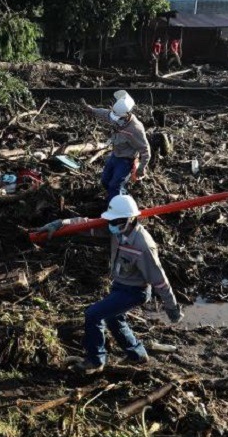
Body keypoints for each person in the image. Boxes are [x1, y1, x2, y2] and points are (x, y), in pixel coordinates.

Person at [34, 195, 183, 373]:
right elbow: (86, 224)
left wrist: (171, 307)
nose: (112, 225)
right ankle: (137, 354)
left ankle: (95, 361)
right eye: (112, 221)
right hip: (120, 285)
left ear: (131, 219)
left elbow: (159, 280)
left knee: (93, 315)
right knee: (114, 318)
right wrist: (61, 223)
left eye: (117, 221)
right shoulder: (116, 228)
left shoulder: (143, 246)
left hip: (135, 291)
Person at [84, 90, 151, 203]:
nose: (114, 120)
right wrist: (91, 110)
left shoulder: (135, 129)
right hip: (115, 155)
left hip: (126, 160)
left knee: (115, 186)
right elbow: (105, 114)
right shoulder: (117, 116)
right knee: (105, 180)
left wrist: (141, 168)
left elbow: (145, 150)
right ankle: (117, 195)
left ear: (126, 115)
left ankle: (116, 206)